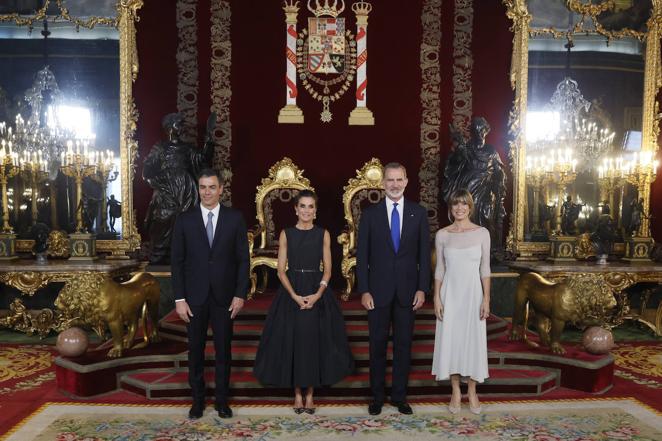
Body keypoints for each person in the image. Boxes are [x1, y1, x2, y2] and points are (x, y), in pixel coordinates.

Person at [253, 190, 354, 414]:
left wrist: (318, 294)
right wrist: (295, 296)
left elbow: (328, 270)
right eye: (303, 206)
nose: (307, 210)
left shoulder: (323, 234)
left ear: (315, 211)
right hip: (292, 291)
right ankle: (297, 393)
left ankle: (310, 394)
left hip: (317, 290)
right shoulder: (286, 234)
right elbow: (280, 271)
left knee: (313, 341)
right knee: (295, 340)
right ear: (295, 209)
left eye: (311, 207)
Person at [171, 168, 249, 420]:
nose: (207, 192)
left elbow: (243, 260)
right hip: (193, 299)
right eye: (203, 187)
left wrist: (240, 294)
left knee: (223, 352)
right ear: (198, 189)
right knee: (195, 351)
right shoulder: (184, 219)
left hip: (225, 298)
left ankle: (222, 401)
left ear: (221, 189)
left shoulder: (235, 218)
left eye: (212, 187)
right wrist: (179, 299)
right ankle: (197, 401)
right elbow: (177, 262)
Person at [356, 162, 431, 416]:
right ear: (383, 183)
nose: (395, 184)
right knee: (377, 345)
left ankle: (399, 396)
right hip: (376, 293)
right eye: (390, 180)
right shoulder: (370, 214)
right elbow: (362, 256)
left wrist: (423, 289)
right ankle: (377, 397)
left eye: (399, 180)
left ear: (407, 181)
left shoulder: (418, 213)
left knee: (403, 346)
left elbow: (423, 255)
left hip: (408, 292)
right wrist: (364, 290)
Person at [432, 189, 490, 415]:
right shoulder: (443, 235)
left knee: (473, 340)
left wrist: (486, 298)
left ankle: (472, 391)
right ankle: (456, 390)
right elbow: (439, 269)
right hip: (450, 294)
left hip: (474, 294)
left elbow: (485, 268)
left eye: (463, 204)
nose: (459, 208)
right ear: (451, 208)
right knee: (452, 341)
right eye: (455, 205)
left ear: (470, 207)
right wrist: (437, 297)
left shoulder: (482, 233)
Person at [143, 112, 215, 264]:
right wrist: (157, 184)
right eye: (179, 124)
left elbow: (203, 159)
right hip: (166, 190)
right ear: (170, 127)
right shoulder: (160, 147)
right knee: (163, 219)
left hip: (186, 191)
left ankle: (186, 257)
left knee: (187, 222)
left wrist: (209, 139)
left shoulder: (187, 148)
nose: (182, 127)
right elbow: (147, 171)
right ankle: (161, 256)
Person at [441, 118, 506, 257]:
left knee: (487, 214)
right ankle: (467, 248)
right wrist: (459, 150)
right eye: (477, 130)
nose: (480, 133)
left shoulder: (491, 150)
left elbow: (498, 170)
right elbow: (455, 163)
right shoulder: (467, 148)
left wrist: (500, 178)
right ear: (472, 132)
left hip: (487, 189)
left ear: (486, 130)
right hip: (469, 188)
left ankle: (488, 250)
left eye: (482, 129)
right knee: (469, 213)